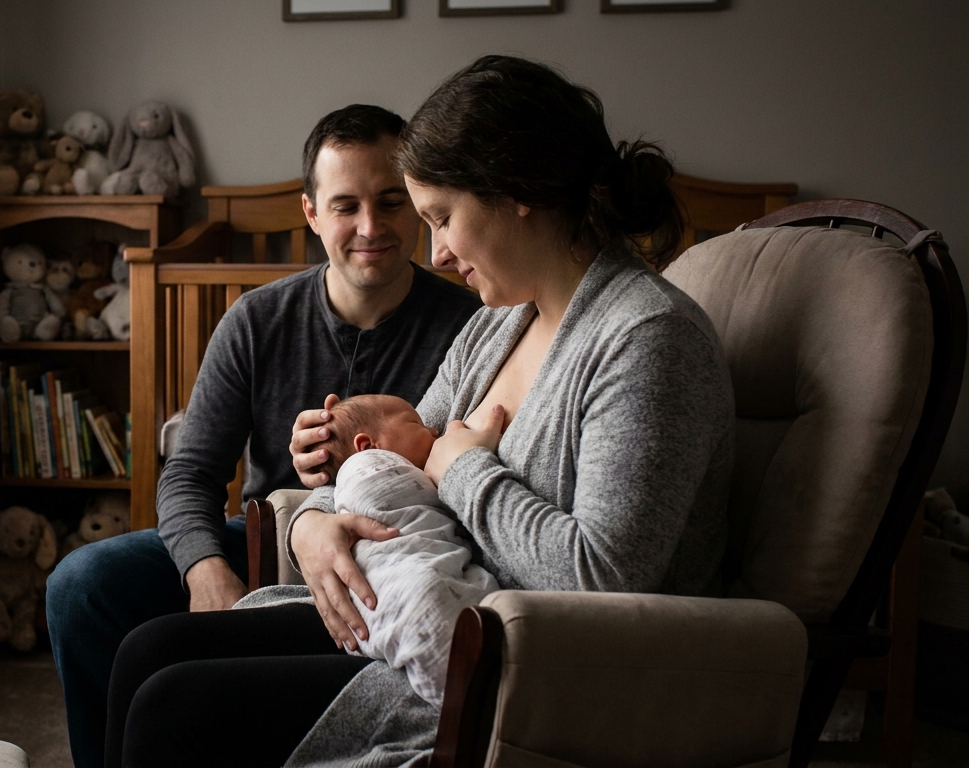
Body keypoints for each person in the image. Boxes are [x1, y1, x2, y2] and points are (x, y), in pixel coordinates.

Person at [106, 54, 736, 768]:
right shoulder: (500, 324)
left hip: (523, 663)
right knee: (147, 651)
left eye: (440, 217)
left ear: (517, 190)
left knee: (175, 709)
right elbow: (395, 458)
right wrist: (313, 523)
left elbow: (601, 579)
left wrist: (462, 465)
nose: (433, 251)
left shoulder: (646, 340)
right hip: (435, 608)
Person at [45, 104, 483, 768]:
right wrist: (205, 570)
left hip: (400, 559)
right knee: (81, 584)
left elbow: (468, 469)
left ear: (420, 204)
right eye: (346, 207)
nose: (371, 227)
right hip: (265, 548)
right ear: (311, 214)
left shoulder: (468, 326)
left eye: (392, 202)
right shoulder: (256, 321)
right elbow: (191, 472)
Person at [304, 393, 500, 707]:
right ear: (368, 447)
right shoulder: (373, 471)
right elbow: (376, 494)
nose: (435, 431)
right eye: (417, 423)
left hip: (376, 616)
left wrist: (464, 468)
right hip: (388, 590)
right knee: (425, 597)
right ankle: (464, 700)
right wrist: (307, 524)